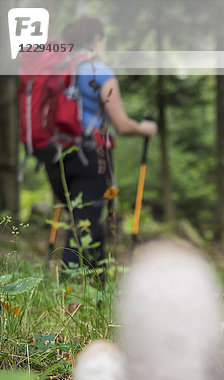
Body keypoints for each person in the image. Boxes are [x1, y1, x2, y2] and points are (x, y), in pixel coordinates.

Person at [37, 17, 157, 279]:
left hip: (55, 158)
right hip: (90, 157)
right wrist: (144, 128)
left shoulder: (57, 70)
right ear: (95, 39)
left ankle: (98, 289)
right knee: (86, 226)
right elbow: (122, 125)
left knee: (83, 222)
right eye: (103, 40)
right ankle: (70, 296)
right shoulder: (99, 71)